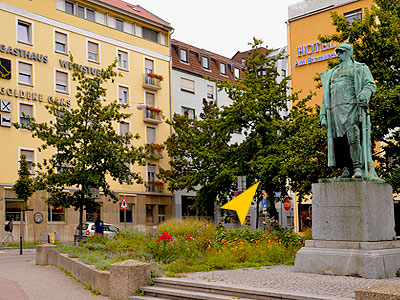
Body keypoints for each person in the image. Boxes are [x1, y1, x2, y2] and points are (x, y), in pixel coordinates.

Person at [320, 42, 379, 180]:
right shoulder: (332, 72)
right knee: (339, 142)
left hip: (352, 108)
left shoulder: (359, 68)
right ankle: (346, 168)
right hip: (334, 111)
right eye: (337, 52)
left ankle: (357, 166)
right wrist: (323, 115)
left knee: (353, 137)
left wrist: (365, 94)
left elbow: (370, 84)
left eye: (341, 52)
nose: (338, 55)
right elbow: (325, 96)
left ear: (348, 53)